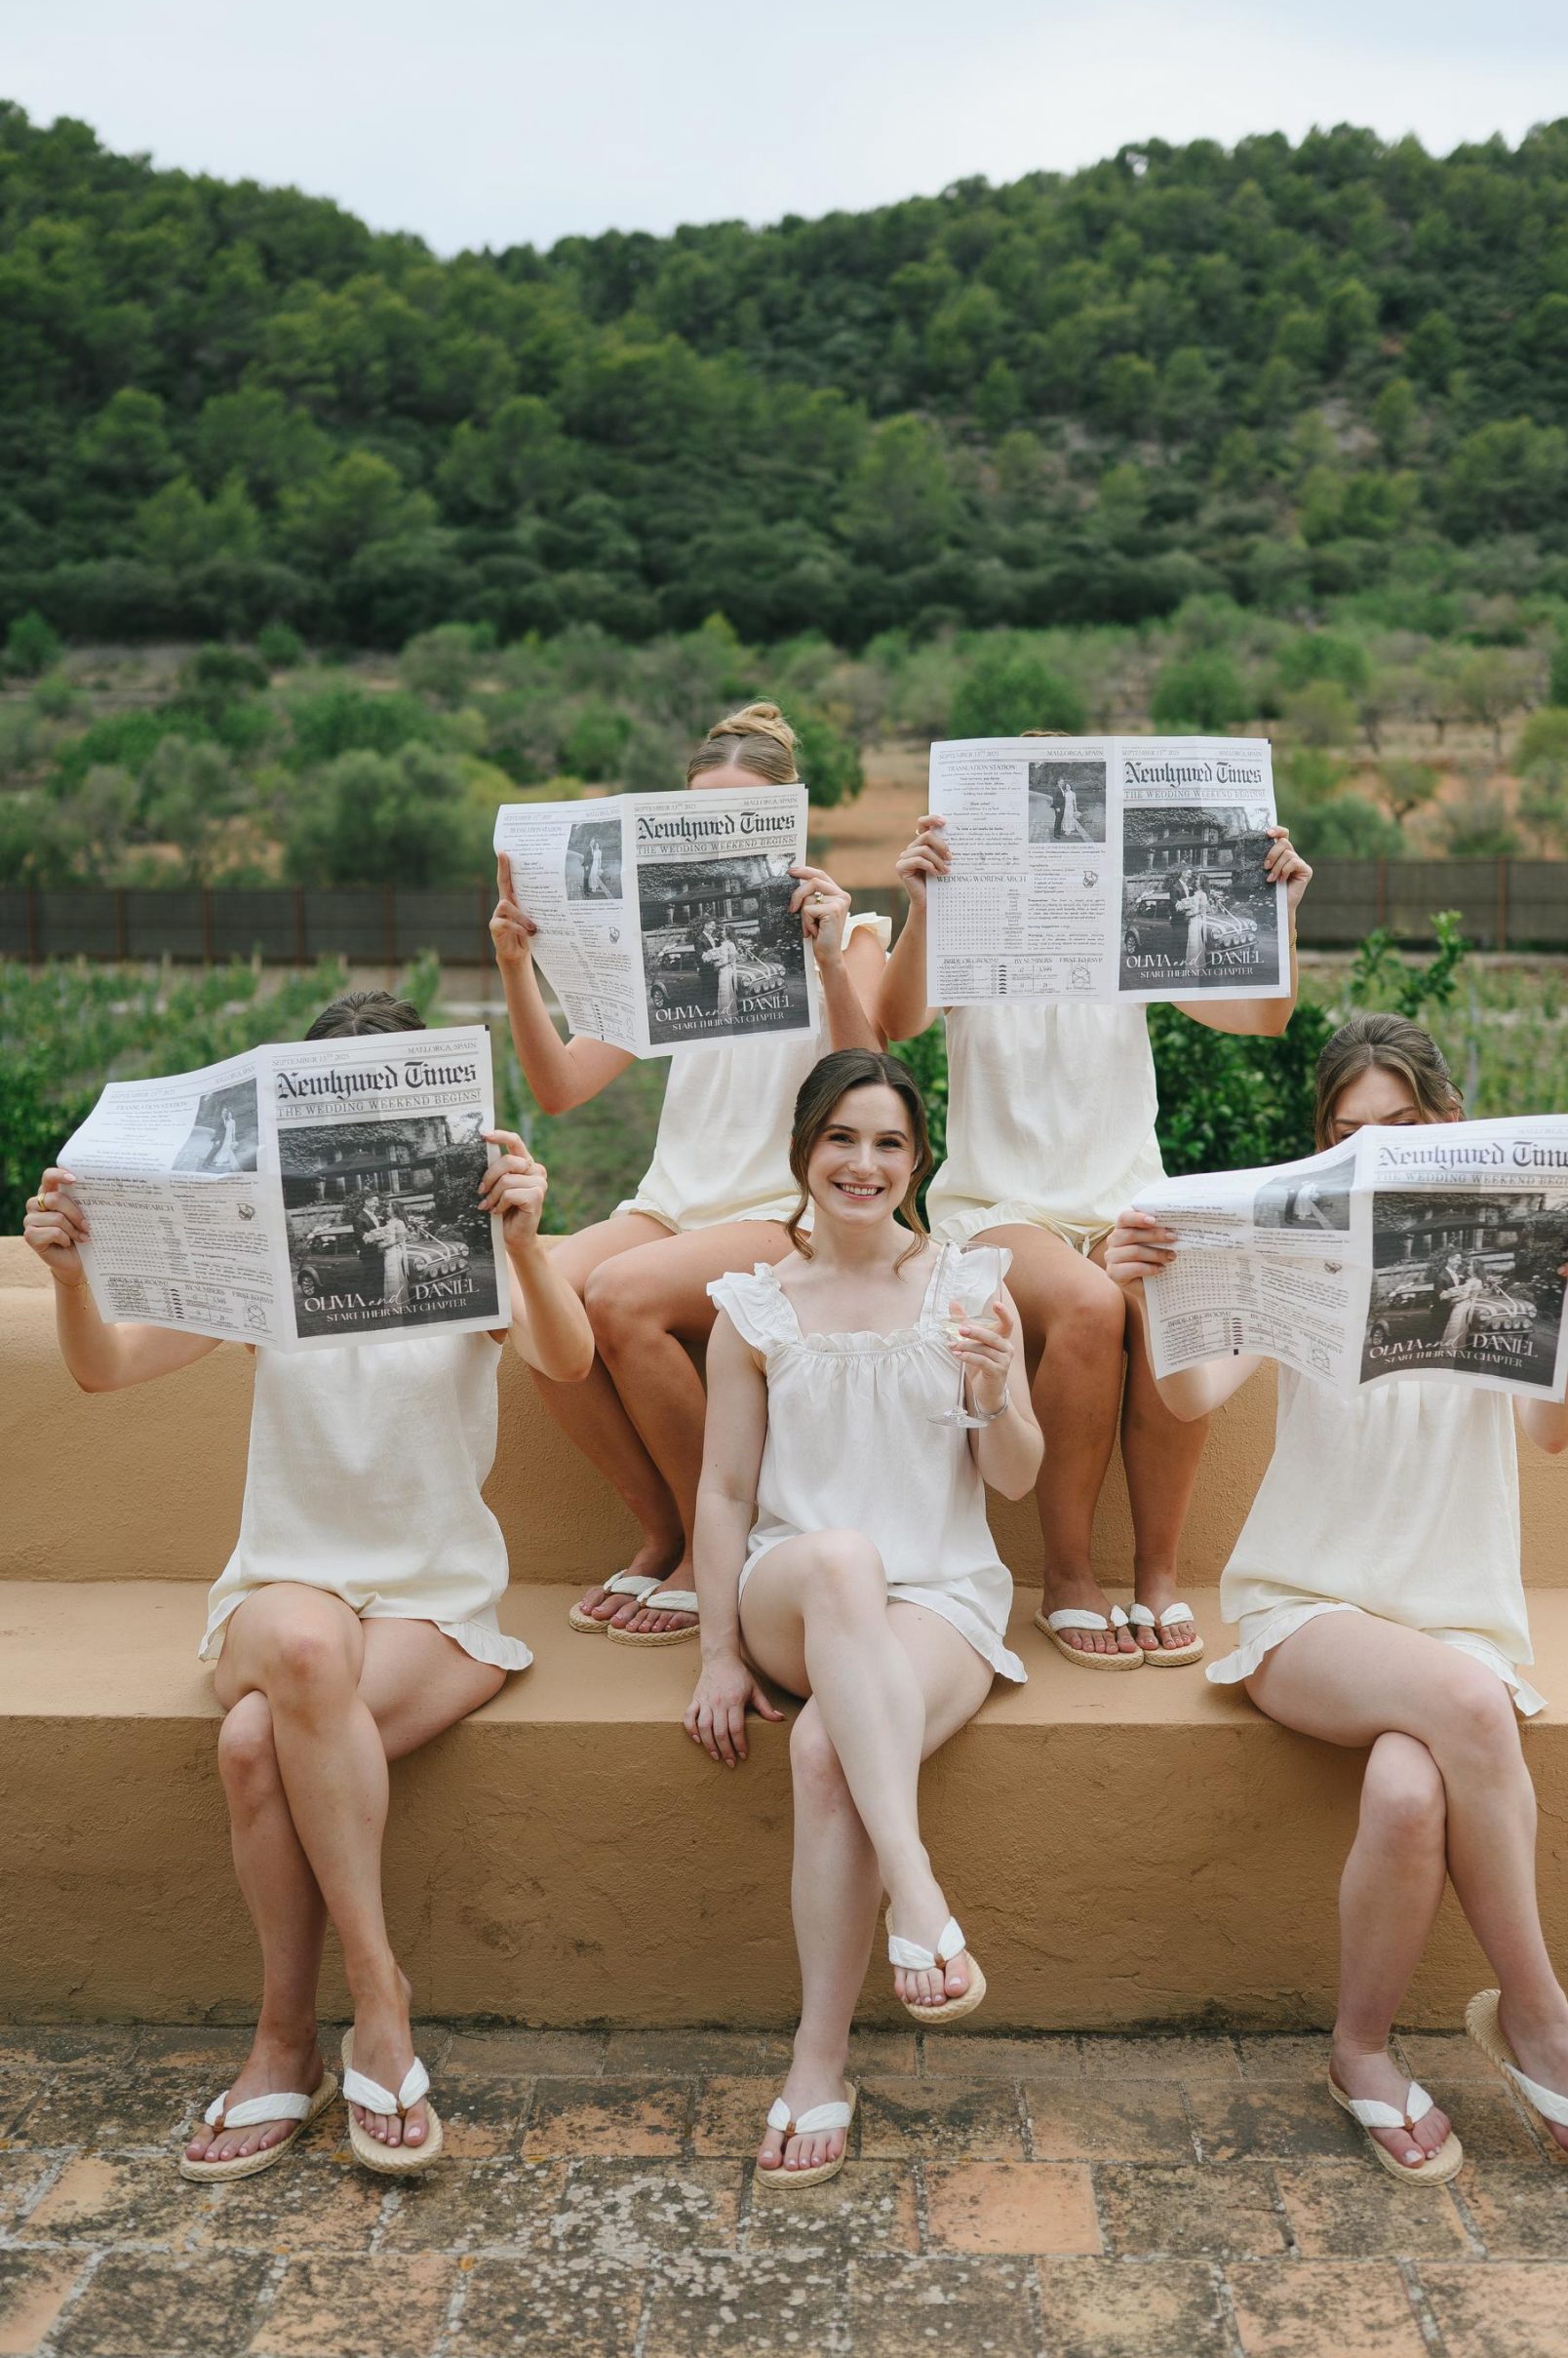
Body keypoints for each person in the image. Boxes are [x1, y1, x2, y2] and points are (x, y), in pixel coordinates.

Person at [23, 990, 594, 2182]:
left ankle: (284, 2042)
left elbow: (570, 1358)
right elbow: (103, 1371)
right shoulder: (264, 1256)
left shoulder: (475, 1240)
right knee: (299, 1653)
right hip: (282, 1596)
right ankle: (380, 1998)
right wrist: (74, 1275)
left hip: (433, 1605)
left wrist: (529, 1241)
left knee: (250, 1747)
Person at [1107, 1012, 1568, 2181]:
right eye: (1347, 1133)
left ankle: (1359, 2051)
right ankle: (1540, 2017)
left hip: (1453, 1622)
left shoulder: (1510, 1247)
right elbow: (1197, 1393)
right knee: (1464, 1707)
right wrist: (1152, 1291)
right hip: (1304, 1610)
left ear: (1447, 1128)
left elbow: (1554, 1436)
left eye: (1400, 1128)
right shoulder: (1296, 1248)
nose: (1372, 1151)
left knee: (1412, 1794)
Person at [684, 1049, 1042, 2184]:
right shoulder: (751, 1306)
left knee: (827, 1746)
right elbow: (726, 1494)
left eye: (889, 1142)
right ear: (803, 1152)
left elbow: (1020, 1479)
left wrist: (991, 1393)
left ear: (918, 1159)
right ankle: (918, 1886)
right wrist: (714, 1655)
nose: (864, 1163)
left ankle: (817, 2061)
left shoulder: (975, 1289)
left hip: (941, 1599)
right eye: (842, 1138)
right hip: (795, 1585)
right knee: (840, 1558)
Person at [877, 791, 1311, 1670]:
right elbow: (892, 1024)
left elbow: (1264, 1016)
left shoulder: (1131, 932)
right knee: (1085, 1305)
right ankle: (1069, 1579)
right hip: (1001, 1206)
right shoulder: (968, 924)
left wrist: (1279, 912)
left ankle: (1157, 1579)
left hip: (1125, 1198)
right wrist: (924, 908)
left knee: (1170, 1296)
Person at [492, 703, 888, 1644]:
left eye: (739, 816)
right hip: (676, 1201)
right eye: (698, 814)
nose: (716, 835)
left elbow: (872, 1083)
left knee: (622, 1299)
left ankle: (722, 1540)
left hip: (785, 1207)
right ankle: (666, 1524)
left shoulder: (856, 933)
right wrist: (516, 966)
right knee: (527, 1296)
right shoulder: (660, 939)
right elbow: (560, 1089)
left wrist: (828, 959)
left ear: (790, 819)